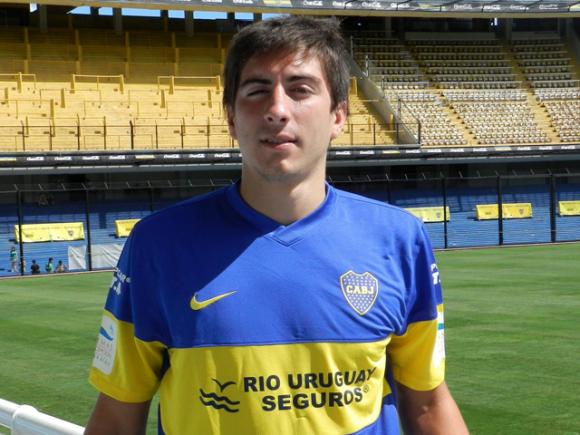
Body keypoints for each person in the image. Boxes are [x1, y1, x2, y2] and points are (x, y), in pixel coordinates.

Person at [86, 16, 468, 435]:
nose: (277, 110)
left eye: (300, 89)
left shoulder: (400, 240)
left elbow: (428, 403)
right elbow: (117, 416)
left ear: (339, 115)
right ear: (231, 118)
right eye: (257, 90)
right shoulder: (158, 245)